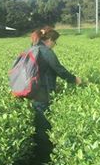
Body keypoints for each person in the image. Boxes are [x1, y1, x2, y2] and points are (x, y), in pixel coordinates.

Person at [30, 27, 82, 156]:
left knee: (39, 121)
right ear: (49, 40)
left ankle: (42, 152)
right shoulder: (46, 52)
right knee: (44, 124)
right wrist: (74, 79)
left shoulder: (34, 48)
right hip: (43, 93)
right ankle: (45, 154)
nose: (55, 45)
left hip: (35, 92)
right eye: (55, 41)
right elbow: (59, 70)